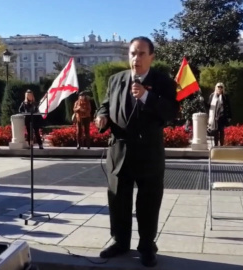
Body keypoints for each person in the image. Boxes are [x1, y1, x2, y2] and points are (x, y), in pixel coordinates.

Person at [94, 36, 178, 267]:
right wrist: (101, 116)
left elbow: (171, 112)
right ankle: (120, 242)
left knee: (148, 203)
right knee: (118, 201)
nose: (136, 58)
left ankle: (147, 247)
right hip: (119, 152)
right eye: (132, 53)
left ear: (151, 56)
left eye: (141, 54)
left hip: (148, 152)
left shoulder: (163, 82)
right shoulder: (115, 80)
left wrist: (146, 96)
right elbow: (105, 104)